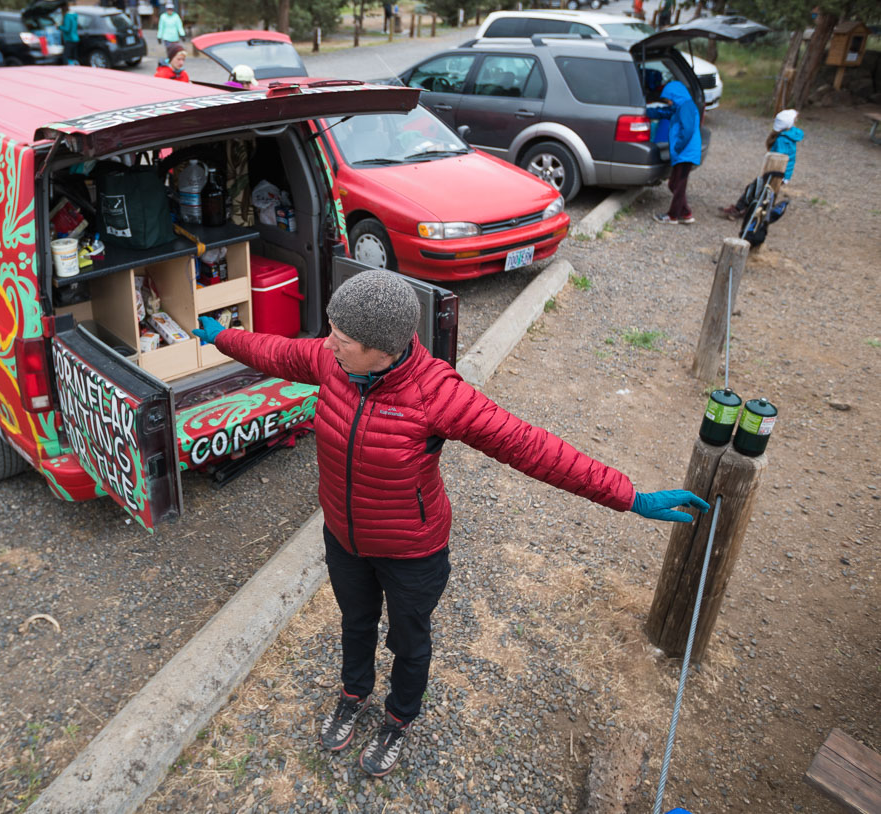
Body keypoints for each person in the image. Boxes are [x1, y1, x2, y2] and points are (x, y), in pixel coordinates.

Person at [191, 270, 709, 778]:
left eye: (343, 339)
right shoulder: (332, 362)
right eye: (331, 331)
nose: (329, 345)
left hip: (412, 550)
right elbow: (275, 353)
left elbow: (531, 447)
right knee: (355, 621)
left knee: (409, 641)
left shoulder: (436, 394)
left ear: (385, 348)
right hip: (346, 539)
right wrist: (224, 338)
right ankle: (354, 693)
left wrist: (629, 495)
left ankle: (398, 719)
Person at [720, 109, 804, 220]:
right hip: (781, 173)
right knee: (766, 191)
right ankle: (756, 212)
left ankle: (740, 210)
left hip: (775, 172)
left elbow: (779, 160)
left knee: (755, 188)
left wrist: (773, 173)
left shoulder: (782, 140)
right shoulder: (789, 135)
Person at [645, 70, 701, 225]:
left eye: (668, 99)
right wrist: (645, 111)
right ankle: (686, 213)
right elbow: (663, 112)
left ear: (675, 95)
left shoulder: (686, 107)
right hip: (682, 153)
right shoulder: (679, 107)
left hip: (685, 153)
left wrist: (678, 146)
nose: (668, 102)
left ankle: (673, 216)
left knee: (678, 185)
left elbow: (688, 129)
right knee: (674, 184)